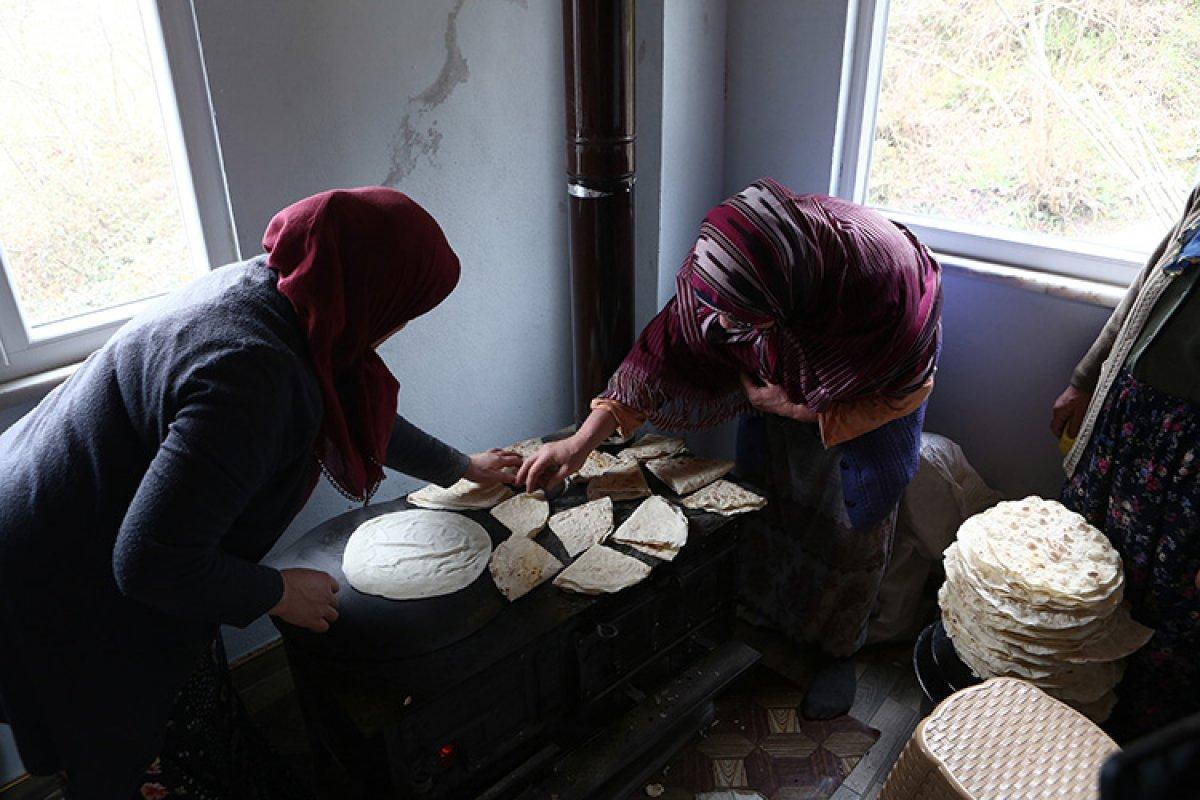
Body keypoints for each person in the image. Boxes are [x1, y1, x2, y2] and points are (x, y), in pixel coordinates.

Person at [0, 187, 518, 798]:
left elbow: (350, 408)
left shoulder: (291, 293)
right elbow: (146, 561)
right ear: (369, 295)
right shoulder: (256, 376)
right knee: (134, 752)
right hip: (54, 575)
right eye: (407, 309)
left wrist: (460, 466)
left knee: (196, 721)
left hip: (78, 519)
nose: (401, 325)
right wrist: (276, 591)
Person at [520, 179, 942, 719]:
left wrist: (798, 407)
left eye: (736, 323)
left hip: (873, 396)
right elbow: (661, 353)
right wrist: (579, 443)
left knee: (849, 529)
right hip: (778, 378)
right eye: (720, 317)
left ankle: (838, 652)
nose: (719, 328)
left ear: (787, 306)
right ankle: (763, 617)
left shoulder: (882, 290)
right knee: (763, 496)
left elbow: (909, 388)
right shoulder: (732, 261)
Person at [1053, 182, 1200, 742]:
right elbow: (1147, 288)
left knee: (1167, 615)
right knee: (1085, 573)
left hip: (1191, 461)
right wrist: (1084, 379)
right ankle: (1061, 722)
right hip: (1130, 419)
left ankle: (1123, 752)